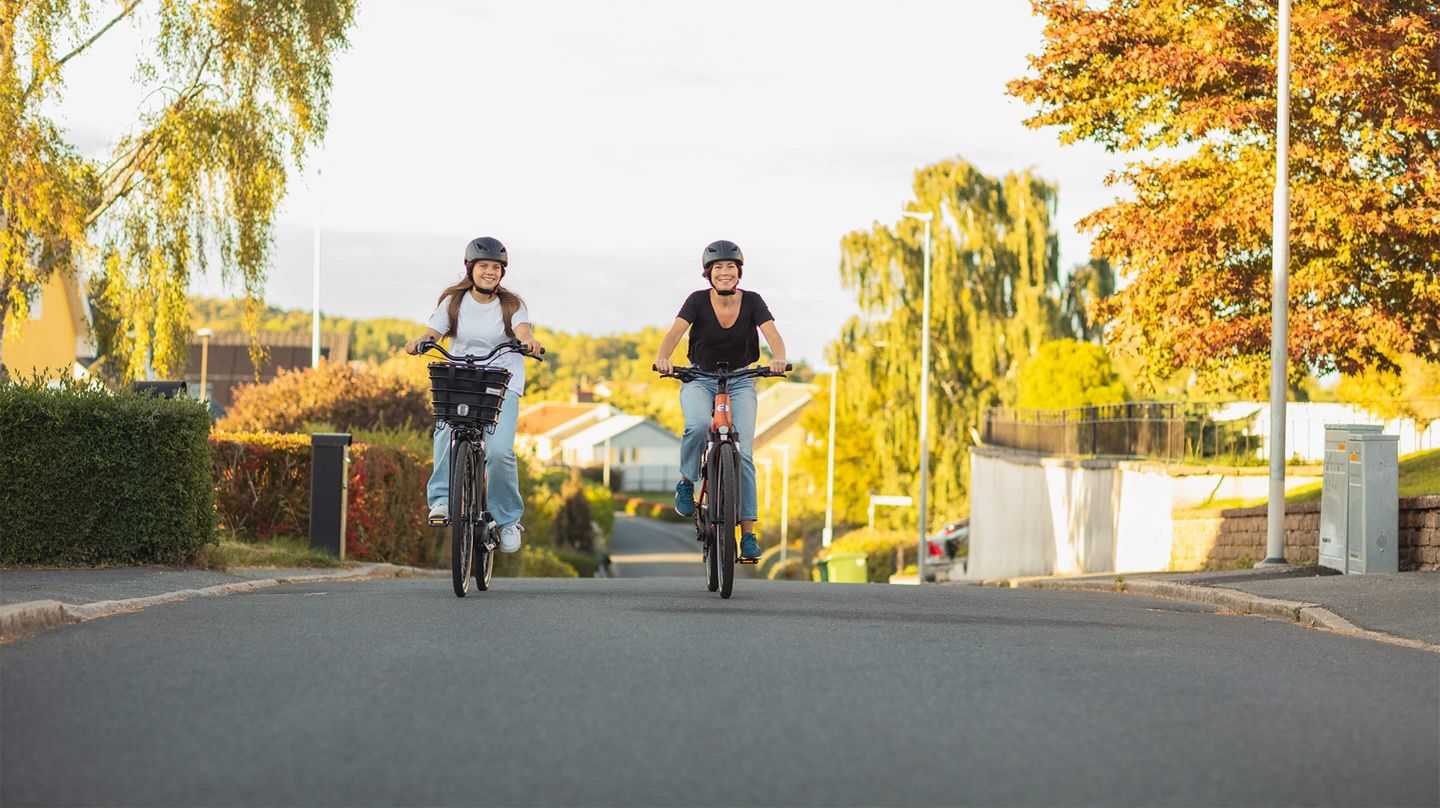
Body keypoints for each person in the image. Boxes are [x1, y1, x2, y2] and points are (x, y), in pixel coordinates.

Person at [404, 236, 542, 553]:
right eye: (484, 266)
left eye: (496, 267)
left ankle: (507, 520)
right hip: (461, 379)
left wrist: (529, 342)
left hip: (500, 382)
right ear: (471, 269)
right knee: (445, 433)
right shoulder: (453, 303)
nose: (490, 272)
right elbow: (433, 331)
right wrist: (420, 341)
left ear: (502, 272)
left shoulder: (511, 305)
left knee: (499, 451)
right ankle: (441, 501)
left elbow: (523, 330)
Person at [654, 239, 788, 562]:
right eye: (718, 268)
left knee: (744, 454)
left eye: (730, 267)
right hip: (700, 378)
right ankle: (687, 481)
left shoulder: (753, 301)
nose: (725, 273)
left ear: (739, 272)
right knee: (699, 425)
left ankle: (749, 535)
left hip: (740, 380)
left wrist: (779, 358)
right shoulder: (697, 302)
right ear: (708, 274)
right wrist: (663, 358)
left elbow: (773, 336)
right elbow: (674, 334)